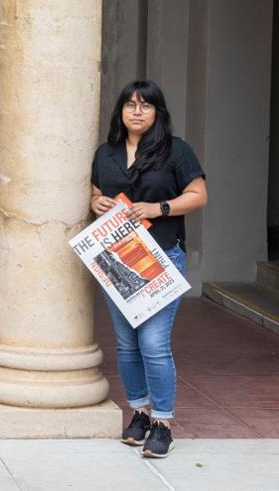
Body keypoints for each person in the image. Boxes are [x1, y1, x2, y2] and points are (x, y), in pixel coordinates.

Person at [90, 79, 207, 458]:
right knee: (126, 344)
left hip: (161, 258)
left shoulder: (177, 151)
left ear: (158, 113)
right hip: (117, 260)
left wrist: (160, 208)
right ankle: (138, 414)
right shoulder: (105, 153)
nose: (136, 111)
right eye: (130, 104)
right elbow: (95, 193)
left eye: (146, 105)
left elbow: (199, 194)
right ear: (120, 110)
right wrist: (97, 205)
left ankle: (162, 423)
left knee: (153, 344)